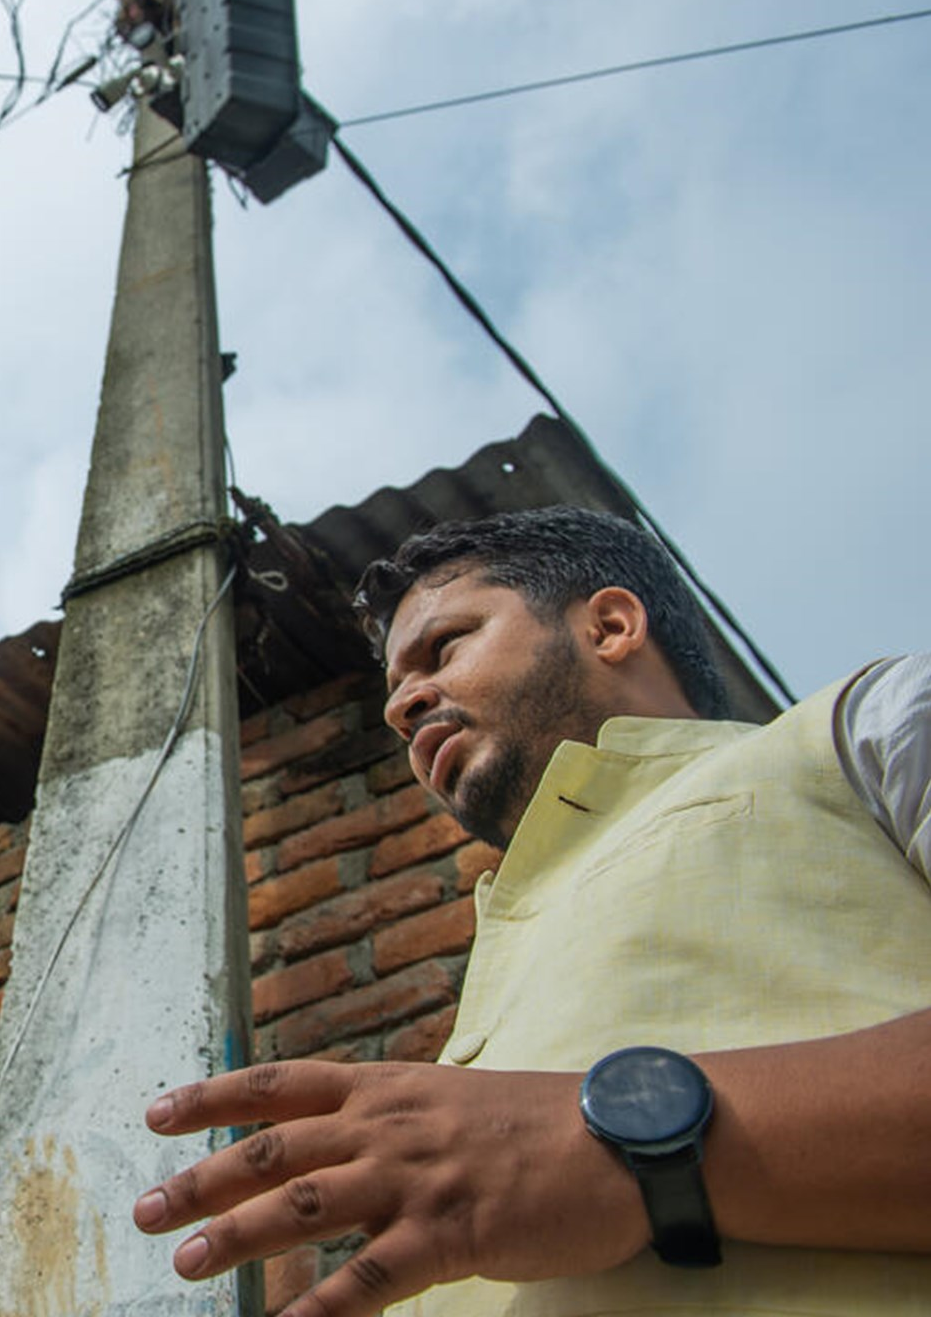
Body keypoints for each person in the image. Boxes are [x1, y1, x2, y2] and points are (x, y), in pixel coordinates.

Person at [130, 505, 931, 1314]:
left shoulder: (865, 729)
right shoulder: (489, 997)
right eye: (393, 693)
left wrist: (620, 1142)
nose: (401, 708)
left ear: (611, 626)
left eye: (443, 648)